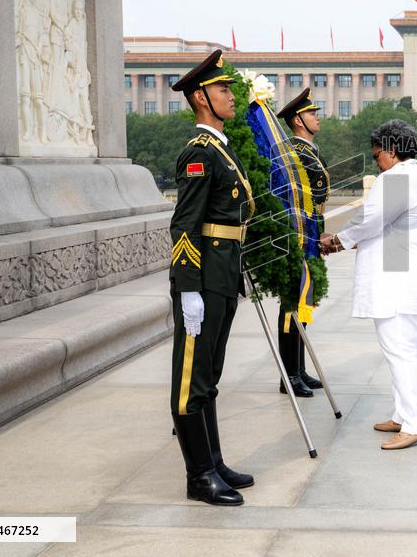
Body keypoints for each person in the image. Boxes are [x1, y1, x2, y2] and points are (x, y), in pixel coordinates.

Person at [321, 120, 417, 450]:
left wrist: (337, 240)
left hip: (398, 280)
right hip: (410, 275)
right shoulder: (416, 176)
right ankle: (403, 415)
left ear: (391, 151)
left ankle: (415, 423)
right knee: (408, 349)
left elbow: (370, 220)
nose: (376, 162)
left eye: (377, 155)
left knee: (400, 350)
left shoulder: (396, 179)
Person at [169, 49, 256, 506]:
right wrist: (188, 289)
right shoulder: (199, 153)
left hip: (222, 275)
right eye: (223, 89)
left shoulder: (220, 148)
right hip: (202, 279)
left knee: (209, 374)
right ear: (201, 97)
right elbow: (184, 225)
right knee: (191, 380)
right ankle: (198, 477)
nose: (231, 95)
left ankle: (213, 461)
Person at [274, 87, 330, 397]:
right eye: (311, 113)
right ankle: (289, 375)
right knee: (291, 307)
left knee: (303, 304)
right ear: (298, 120)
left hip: (309, 234)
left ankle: (299, 369)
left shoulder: (309, 151)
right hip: (296, 238)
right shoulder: (294, 153)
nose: (316, 118)